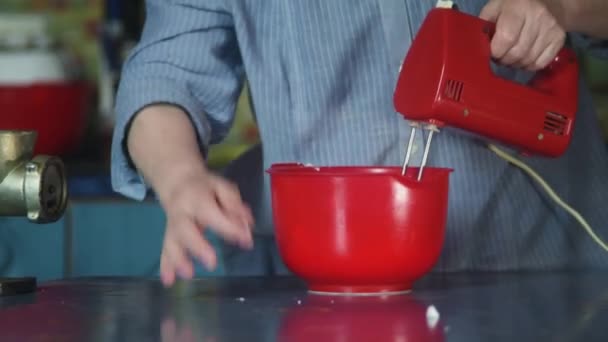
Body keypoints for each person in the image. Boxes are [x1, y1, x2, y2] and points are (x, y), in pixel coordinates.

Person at [111, 0, 608, 287]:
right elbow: (166, 74)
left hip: (545, 269)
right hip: (329, 289)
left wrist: (558, 7)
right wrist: (179, 179)